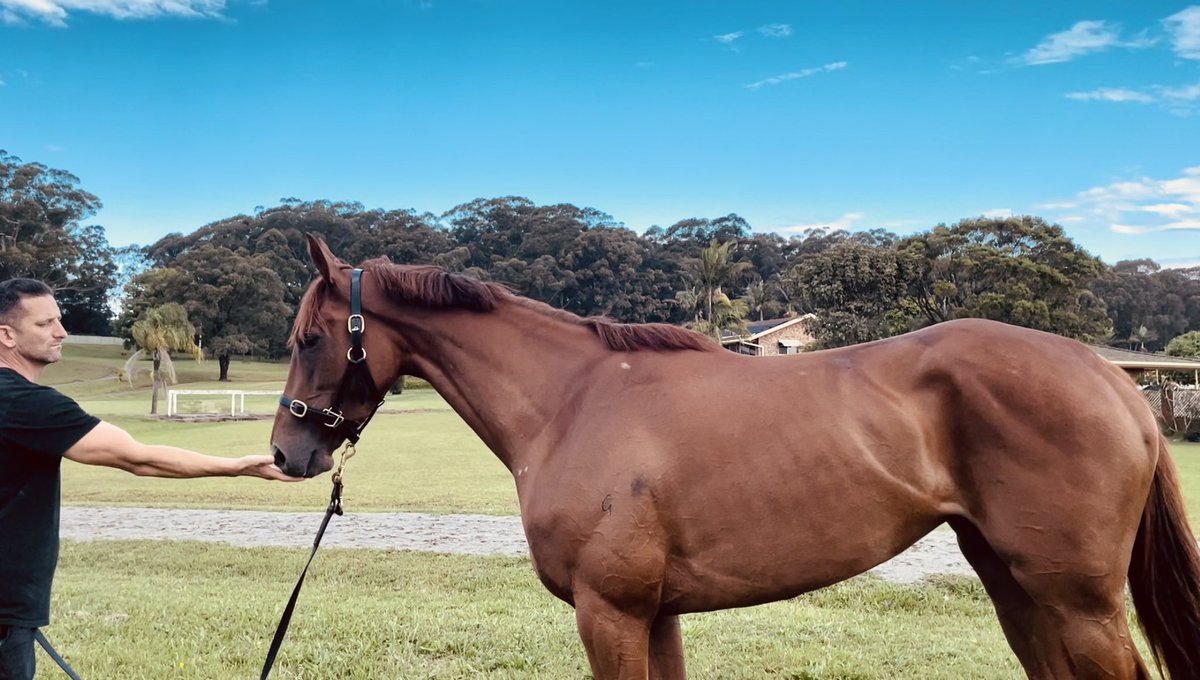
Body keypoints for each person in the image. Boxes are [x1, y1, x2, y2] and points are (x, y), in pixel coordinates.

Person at [0, 278, 301, 680]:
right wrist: (237, 466)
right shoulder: (23, 403)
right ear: (7, 335)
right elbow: (138, 458)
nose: (62, 332)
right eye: (45, 324)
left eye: (60, 319)